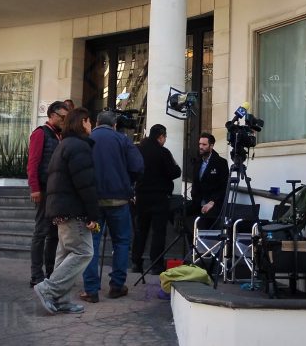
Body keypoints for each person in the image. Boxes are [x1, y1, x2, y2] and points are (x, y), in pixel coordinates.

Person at [33, 108, 100, 315]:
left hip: (61, 209)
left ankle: (61, 300)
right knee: (83, 252)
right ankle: (48, 289)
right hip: (73, 210)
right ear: (83, 122)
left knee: (65, 254)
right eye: (90, 122)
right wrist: (93, 214)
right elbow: (85, 184)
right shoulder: (79, 147)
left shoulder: (64, 144)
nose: (92, 127)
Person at [80, 110, 144, 302]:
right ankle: (117, 285)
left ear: (96, 122)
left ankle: (91, 289)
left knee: (92, 244)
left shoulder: (88, 139)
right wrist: (127, 184)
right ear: (115, 125)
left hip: (93, 202)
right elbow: (138, 166)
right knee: (122, 242)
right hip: (119, 201)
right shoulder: (122, 140)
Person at [26, 101, 68, 286]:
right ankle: (36, 274)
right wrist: (35, 188)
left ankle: (51, 272)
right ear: (51, 115)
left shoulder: (60, 136)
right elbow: (33, 163)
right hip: (43, 190)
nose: (64, 120)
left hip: (56, 192)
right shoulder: (40, 134)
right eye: (62, 117)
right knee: (41, 232)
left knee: (53, 233)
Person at [133, 123, 182, 275]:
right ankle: (156, 264)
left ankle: (136, 262)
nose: (165, 140)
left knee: (141, 230)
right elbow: (174, 172)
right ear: (161, 137)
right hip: (160, 197)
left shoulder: (138, 150)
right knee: (158, 232)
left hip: (141, 196)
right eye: (165, 137)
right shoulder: (163, 152)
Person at [190, 132, 229, 229]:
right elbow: (196, 183)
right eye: (199, 144)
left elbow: (223, 187)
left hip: (213, 204)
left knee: (202, 225)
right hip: (197, 202)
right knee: (178, 213)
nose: (201, 147)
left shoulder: (221, 163)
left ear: (211, 146)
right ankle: (190, 241)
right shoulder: (197, 162)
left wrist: (212, 202)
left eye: (204, 144)